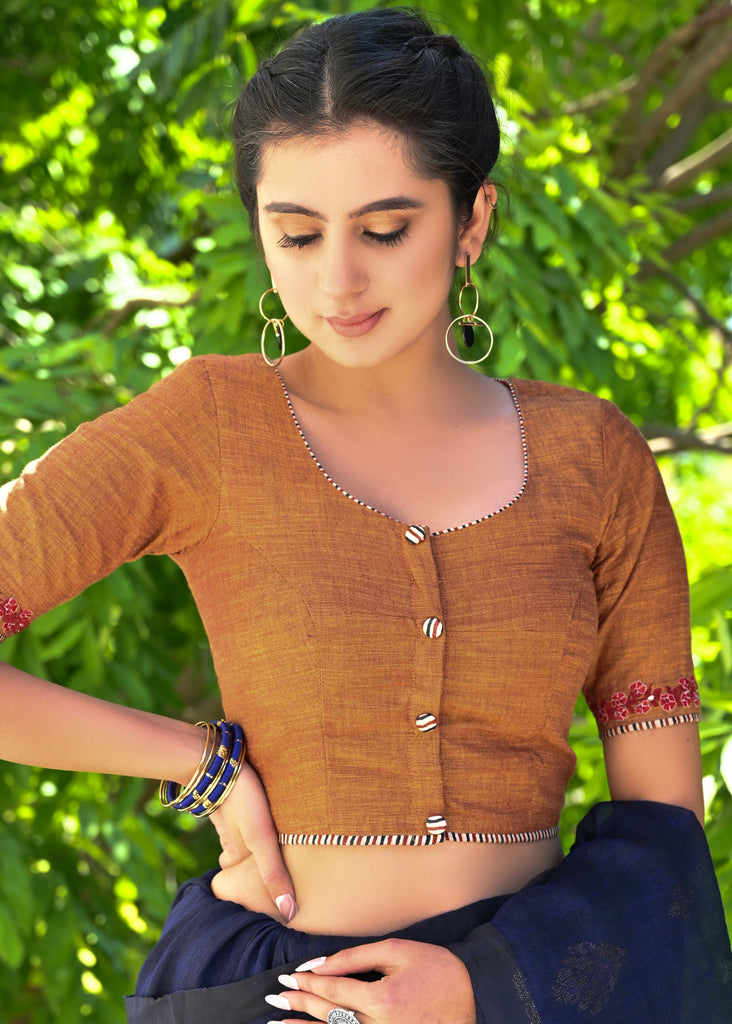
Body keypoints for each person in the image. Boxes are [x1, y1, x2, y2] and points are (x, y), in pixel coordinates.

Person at [1, 8, 730, 1024]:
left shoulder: (593, 457)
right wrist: (194, 760)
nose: (335, 279)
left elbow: (663, 828)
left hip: (529, 991)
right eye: (295, 232)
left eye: (385, 230)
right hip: (263, 994)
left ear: (471, 220)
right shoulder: (201, 427)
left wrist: (486, 985)